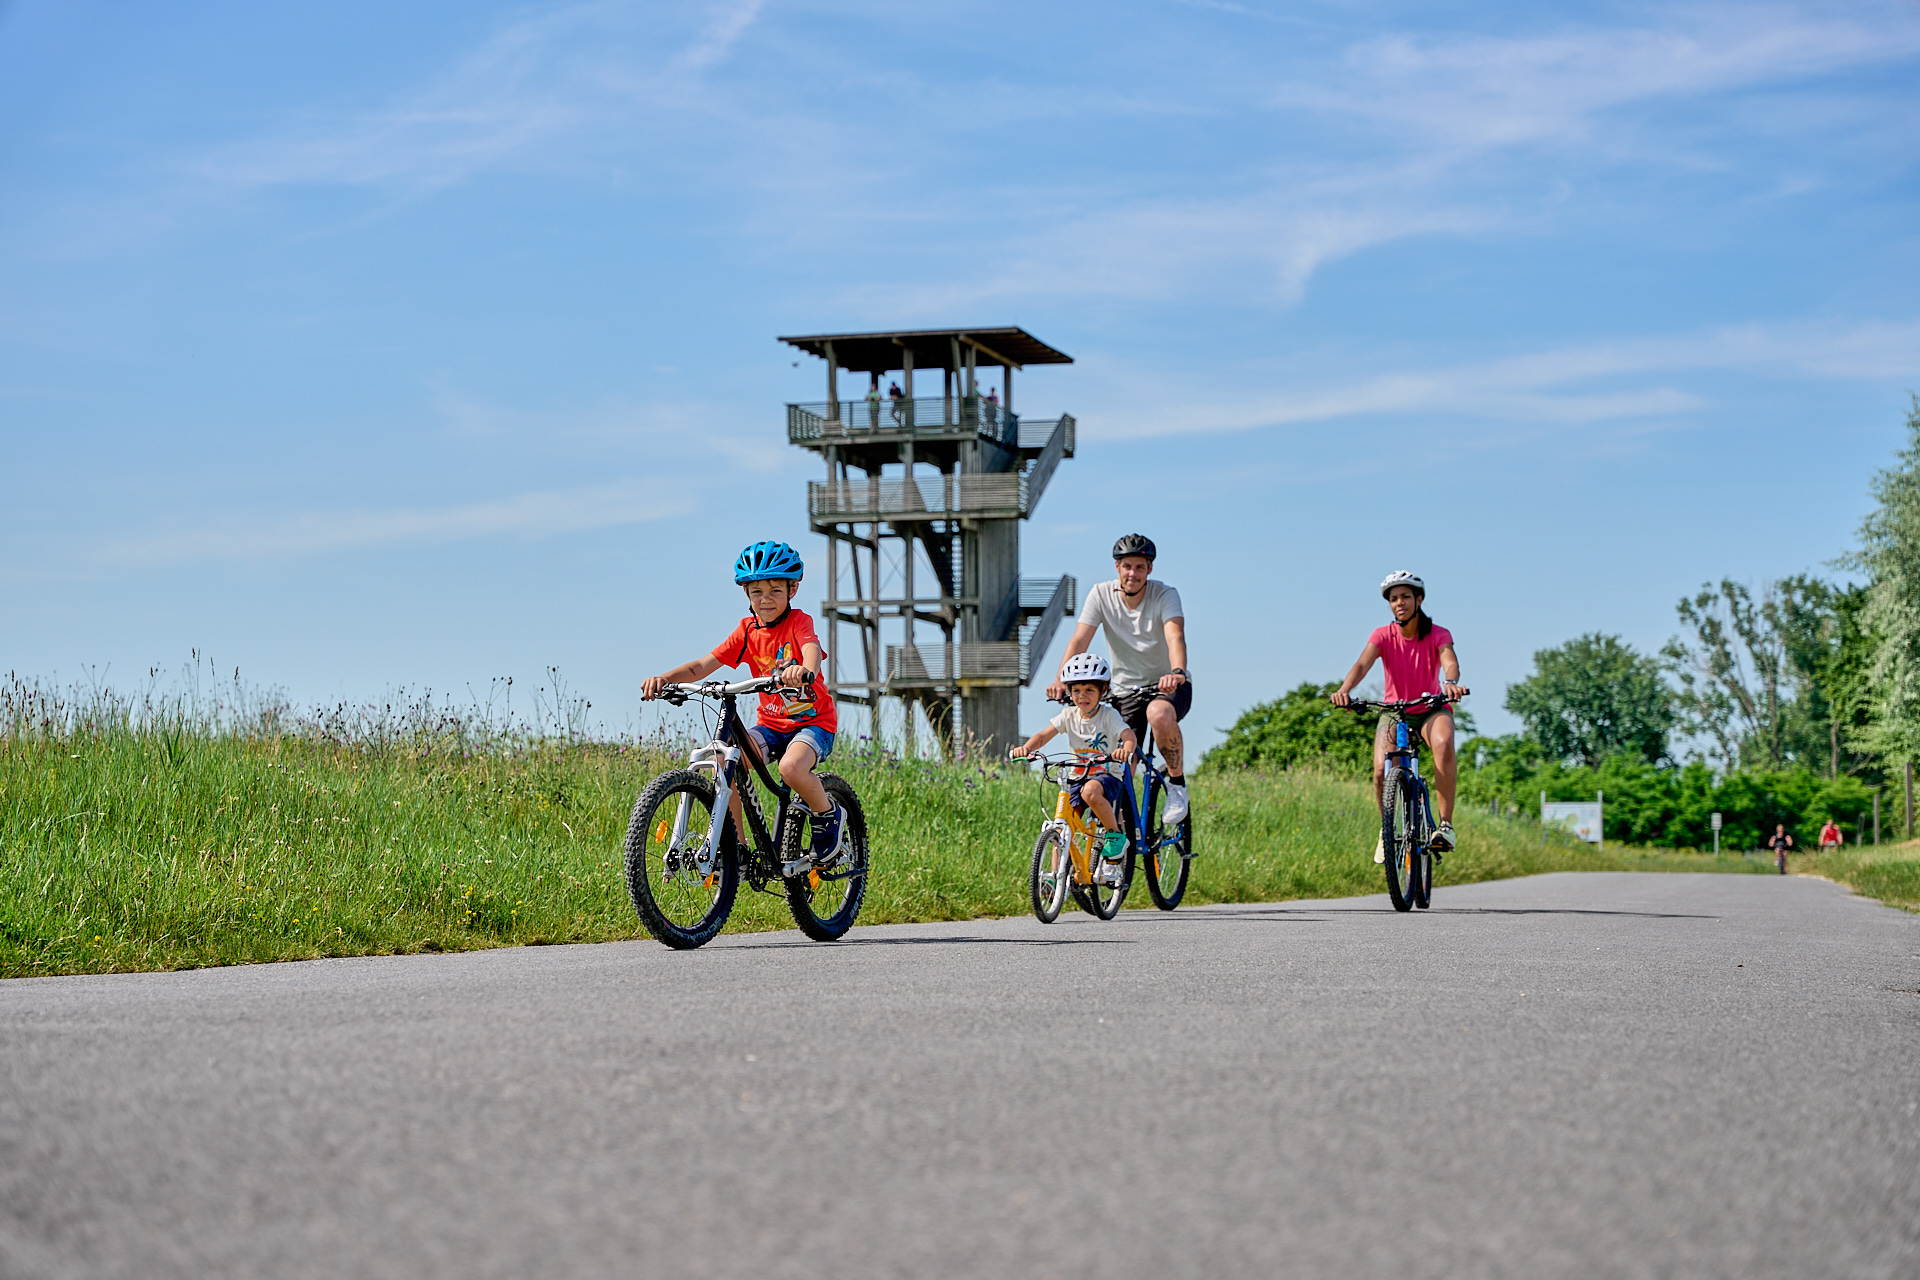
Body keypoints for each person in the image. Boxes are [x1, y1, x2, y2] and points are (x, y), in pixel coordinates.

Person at [640, 541, 845, 867]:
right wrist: (664, 679)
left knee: (791, 768)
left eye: (775, 590)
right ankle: (736, 848)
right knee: (724, 762)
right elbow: (701, 666)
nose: (766, 599)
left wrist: (804, 670)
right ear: (746, 594)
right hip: (771, 726)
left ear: (792, 590)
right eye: (757, 592)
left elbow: (811, 648)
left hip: (813, 724)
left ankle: (828, 815)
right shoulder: (747, 632)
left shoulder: (798, 622)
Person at [1050, 534, 1191, 823]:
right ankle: (1123, 833)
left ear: (1149, 569)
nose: (1132, 573)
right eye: (1127, 566)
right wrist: (1061, 680)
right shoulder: (1101, 595)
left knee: (1159, 713)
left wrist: (1177, 672)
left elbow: (1175, 635)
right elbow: (1079, 640)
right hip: (1126, 691)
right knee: (1120, 762)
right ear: (1117, 567)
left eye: (1140, 567)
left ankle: (1177, 785)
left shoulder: (1165, 595)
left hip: (1167, 685)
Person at [1330, 571, 1465, 861]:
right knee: (1381, 770)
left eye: (1405, 597)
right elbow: (1361, 665)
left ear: (1419, 600)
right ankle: (1387, 831)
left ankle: (1445, 827)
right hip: (1394, 711)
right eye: (1393, 599)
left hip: (1430, 708)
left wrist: (1451, 683)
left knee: (1443, 743)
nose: (1399, 603)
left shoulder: (1438, 633)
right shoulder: (1382, 635)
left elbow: (1449, 660)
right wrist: (1344, 690)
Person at [1012, 652, 1138, 887]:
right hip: (1077, 776)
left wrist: (1126, 749)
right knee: (1062, 826)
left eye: (1089, 690)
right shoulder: (1068, 715)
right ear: (1069, 692)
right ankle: (1053, 879)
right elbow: (1043, 736)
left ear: (1103, 690)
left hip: (1106, 776)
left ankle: (1115, 834)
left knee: (1090, 792)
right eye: (1076, 690)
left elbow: (1127, 734)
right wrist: (1026, 748)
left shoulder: (1108, 715)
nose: (1082, 696)